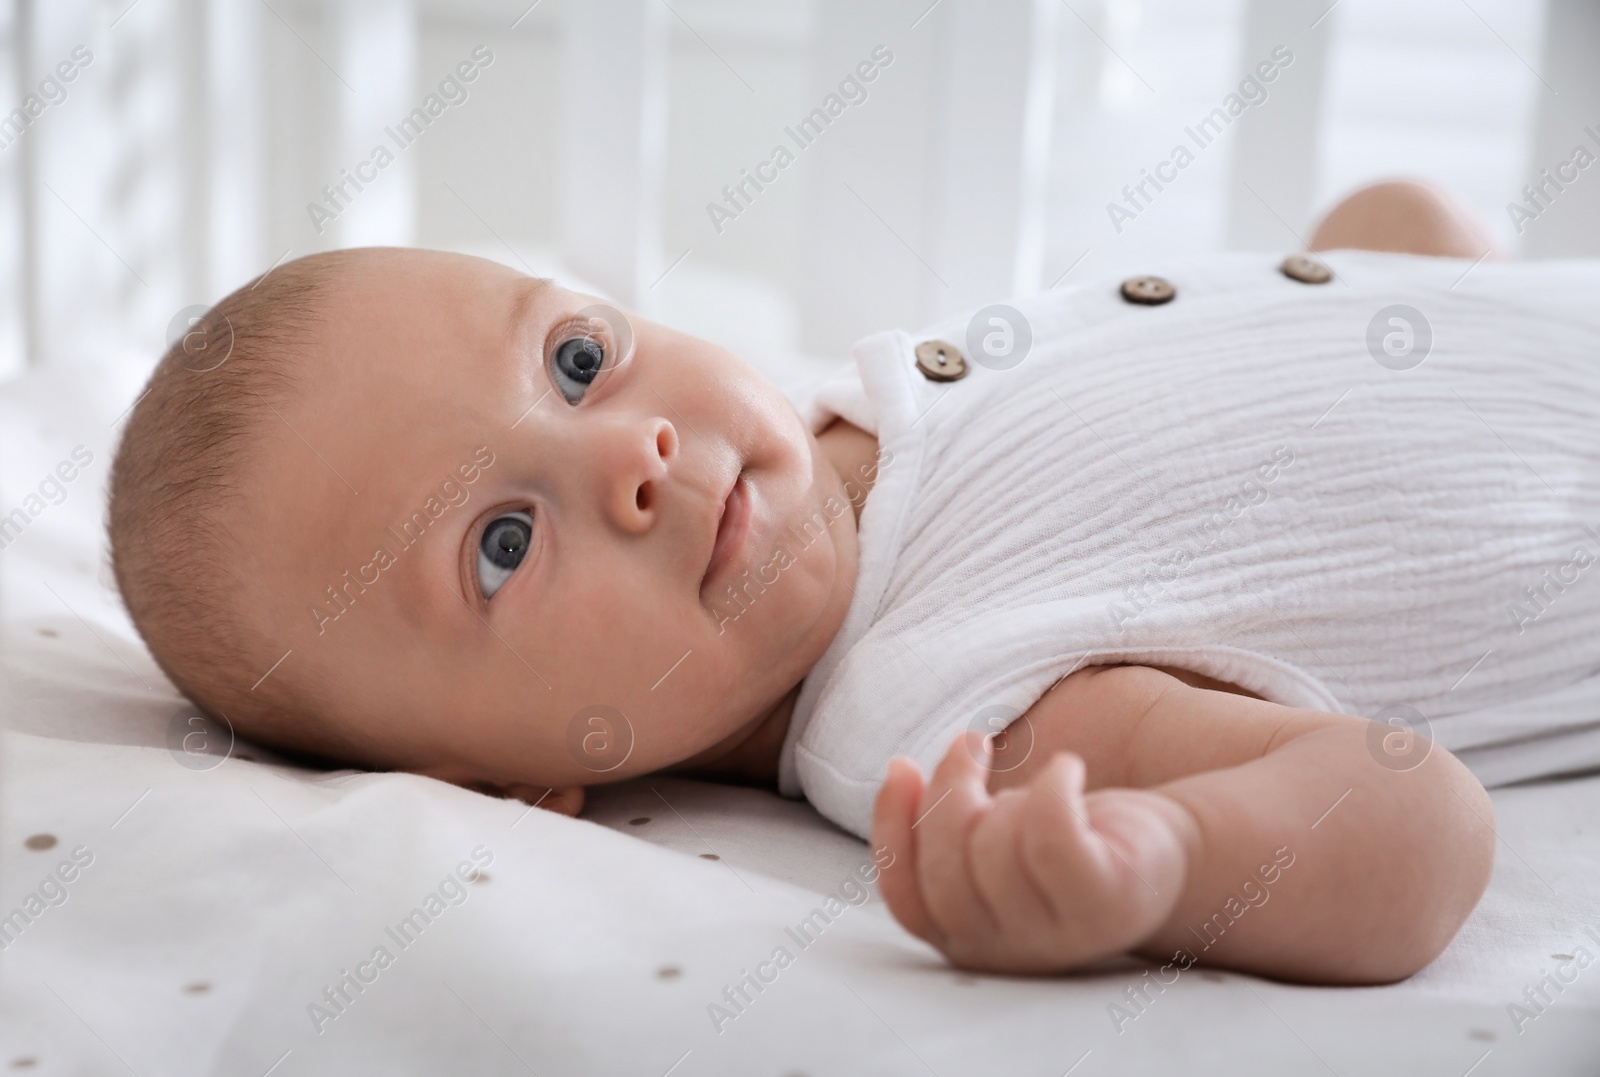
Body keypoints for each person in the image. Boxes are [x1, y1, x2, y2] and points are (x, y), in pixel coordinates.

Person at [109, 181, 1599, 983]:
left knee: (1401, 214)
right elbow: (1418, 824)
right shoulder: (958, 706)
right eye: (503, 543)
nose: (634, 452)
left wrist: (1398, 277)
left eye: (577, 361)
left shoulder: (852, 403)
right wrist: (1170, 856)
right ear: (504, 783)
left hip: (1509, 321)